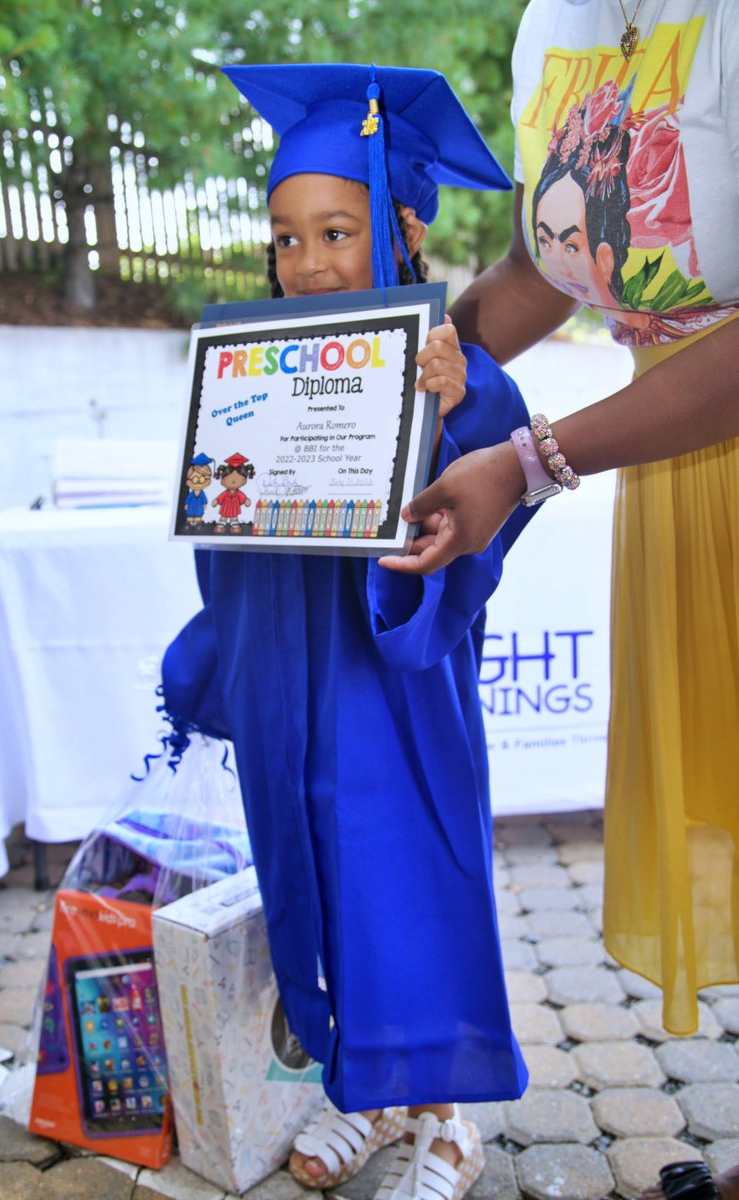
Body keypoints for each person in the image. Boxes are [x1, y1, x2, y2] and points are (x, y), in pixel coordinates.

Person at [381, 5, 739, 1198]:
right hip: (679, 457)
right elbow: (552, 267)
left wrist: (528, 459)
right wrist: (389, 360)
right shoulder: (563, 24)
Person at [161, 63, 535, 1200]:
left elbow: (482, 509)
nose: (306, 262)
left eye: (335, 230)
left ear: (402, 227)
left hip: (390, 691)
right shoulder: (262, 369)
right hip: (295, 689)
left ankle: (446, 1118)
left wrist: (449, 406)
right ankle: (363, 1094)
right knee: (314, 878)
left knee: (406, 879)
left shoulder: (451, 373)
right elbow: (233, 539)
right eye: (284, 238)